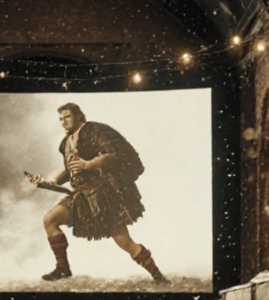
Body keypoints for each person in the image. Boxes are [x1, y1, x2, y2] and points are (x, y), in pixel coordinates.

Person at [27, 102, 169, 284]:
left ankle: (159, 278)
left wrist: (89, 164)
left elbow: (115, 154)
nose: (63, 122)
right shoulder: (65, 143)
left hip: (103, 195)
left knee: (123, 241)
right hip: (82, 195)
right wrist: (46, 183)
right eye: (61, 119)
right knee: (50, 220)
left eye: (67, 117)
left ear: (79, 115)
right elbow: (68, 171)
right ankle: (63, 269)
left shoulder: (94, 130)